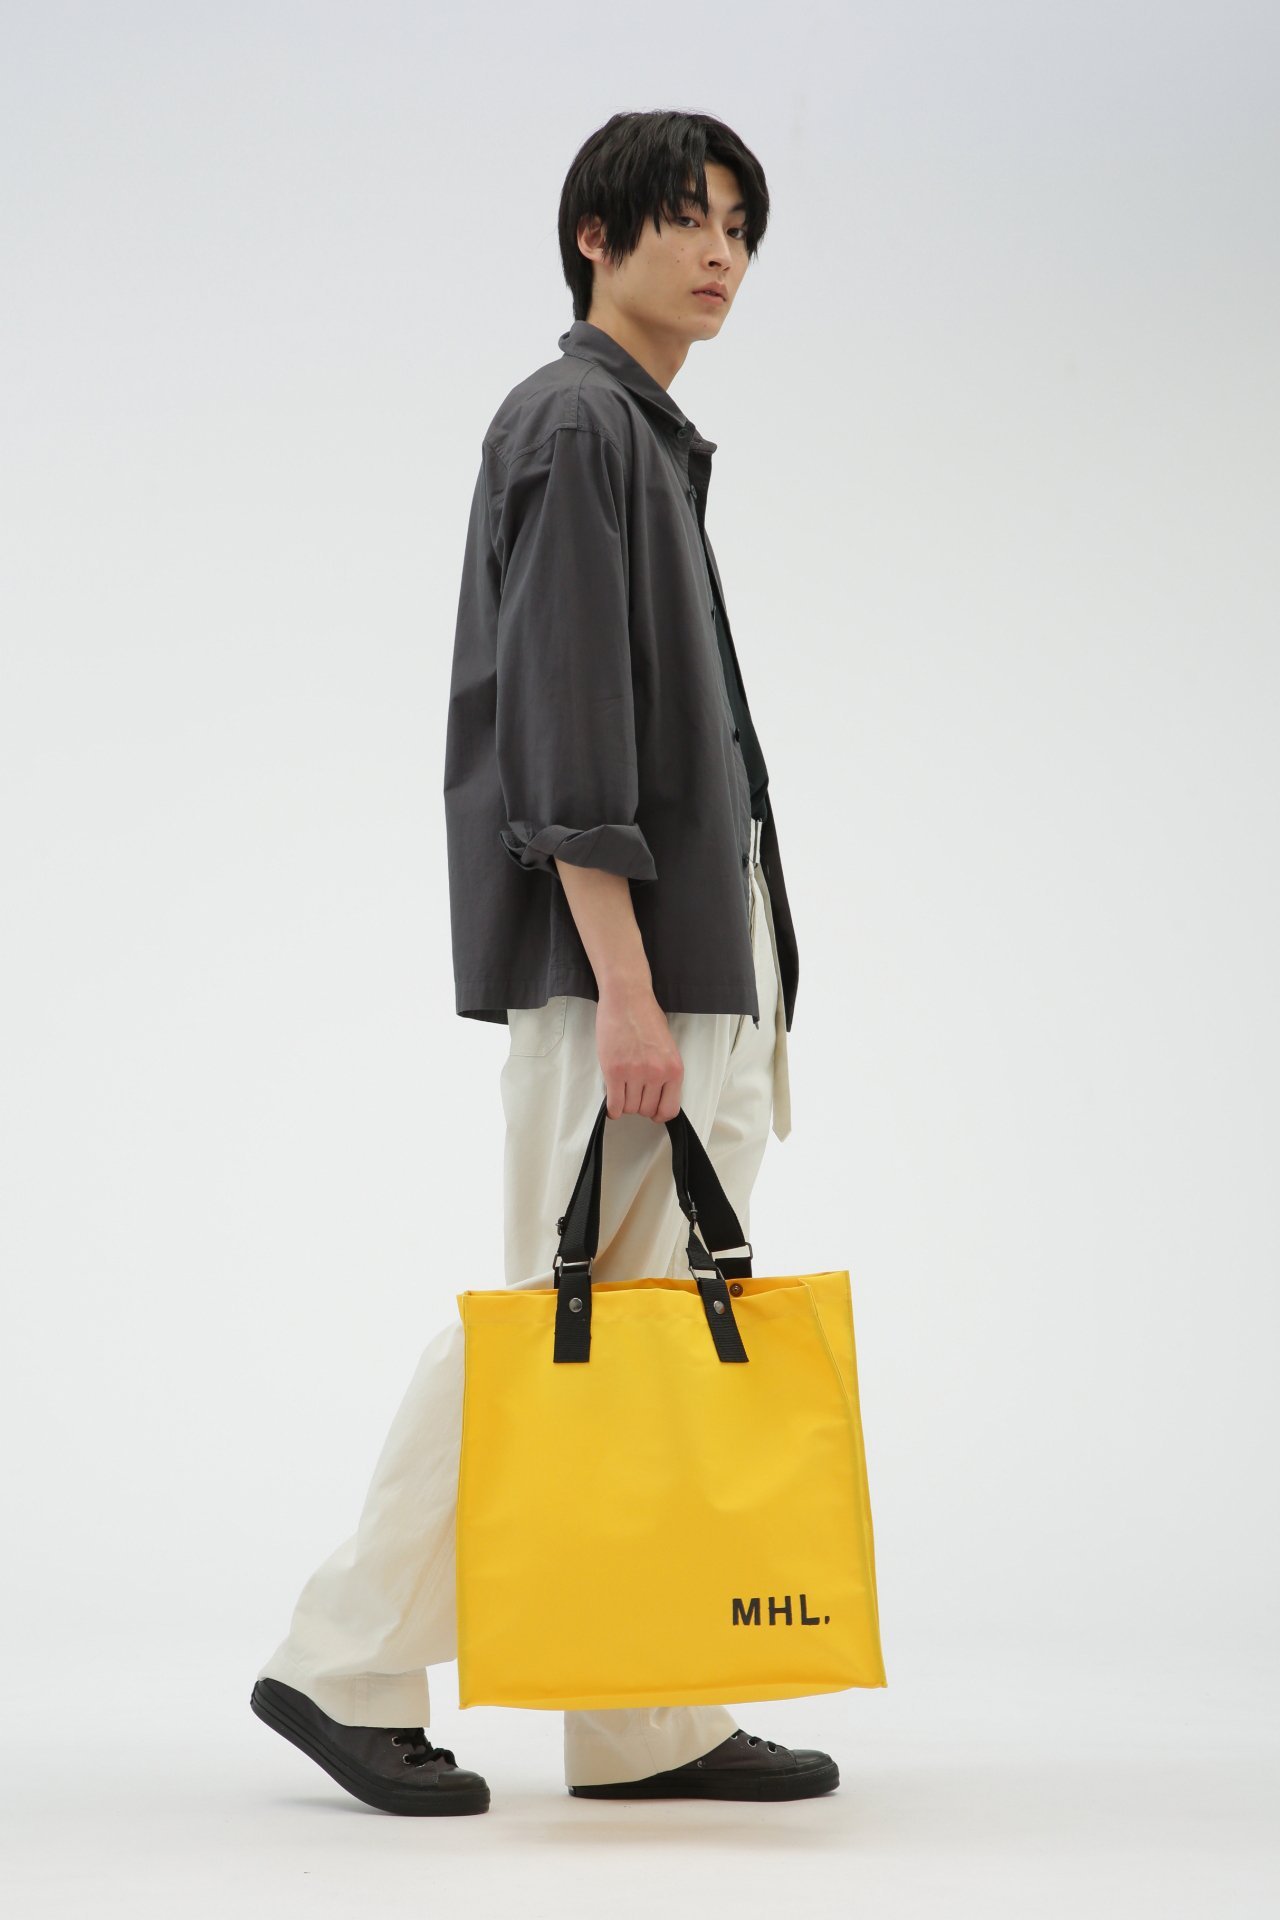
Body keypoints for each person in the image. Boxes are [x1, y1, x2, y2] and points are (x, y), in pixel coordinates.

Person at [249, 108, 836, 1815]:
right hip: (629, 977)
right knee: (554, 1324)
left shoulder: (638, 433)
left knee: (624, 1329)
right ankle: (343, 1662)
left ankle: (644, 1718)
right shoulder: (579, 427)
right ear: (596, 234)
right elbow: (567, 745)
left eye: (741, 227)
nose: (720, 253)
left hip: (687, 967)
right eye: (688, 217)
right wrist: (632, 989)